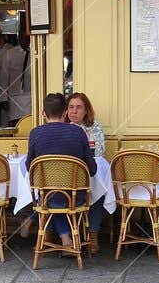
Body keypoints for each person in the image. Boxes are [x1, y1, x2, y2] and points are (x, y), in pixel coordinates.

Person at [27, 92, 104, 246]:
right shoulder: (78, 132)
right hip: (76, 196)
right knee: (94, 190)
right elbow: (92, 170)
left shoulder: (35, 133)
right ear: (64, 113)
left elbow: (30, 166)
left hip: (48, 195)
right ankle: (69, 236)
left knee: (50, 195)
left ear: (43, 113)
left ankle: (61, 234)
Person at [0, 31, 31, 125]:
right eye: (23, 37)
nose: (25, 39)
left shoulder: (36, 51)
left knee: (28, 123)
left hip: (31, 96)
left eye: (27, 37)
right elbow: (4, 77)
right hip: (13, 96)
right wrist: (3, 98)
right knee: (14, 124)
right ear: (19, 38)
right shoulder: (10, 53)